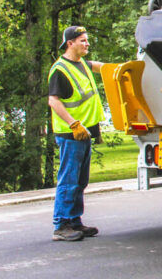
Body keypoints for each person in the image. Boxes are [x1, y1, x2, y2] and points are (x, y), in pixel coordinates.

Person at [47, 26, 106, 242]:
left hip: (84, 132)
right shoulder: (60, 69)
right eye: (82, 40)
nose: (87, 43)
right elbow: (53, 101)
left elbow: (104, 68)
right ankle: (61, 225)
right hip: (71, 133)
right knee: (69, 179)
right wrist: (73, 124)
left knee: (80, 180)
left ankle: (75, 221)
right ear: (70, 43)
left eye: (87, 40)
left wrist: (129, 67)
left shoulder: (82, 64)